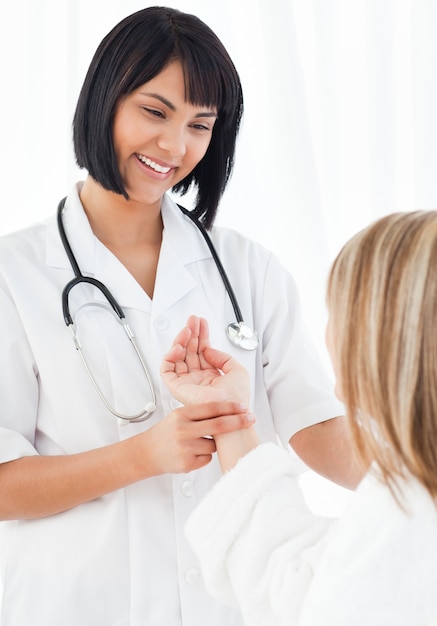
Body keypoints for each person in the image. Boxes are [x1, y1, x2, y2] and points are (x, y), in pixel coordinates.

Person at [0, 7, 358, 626]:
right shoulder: (16, 274)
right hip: (75, 608)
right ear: (104, 99)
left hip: (224, 609)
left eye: (200, 124)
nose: (175, 146)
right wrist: (144, 455)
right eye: (154, 111)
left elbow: (316, 427)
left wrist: (416, 468)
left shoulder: (249, 269)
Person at [161, 210, 437, 626]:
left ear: (381, 340)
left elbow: (303, 600)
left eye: (337, 313)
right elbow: (314, 580)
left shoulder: (410, 506)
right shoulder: (410, 493)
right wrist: (230, 415)